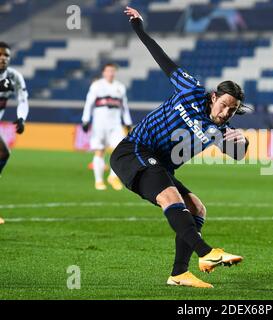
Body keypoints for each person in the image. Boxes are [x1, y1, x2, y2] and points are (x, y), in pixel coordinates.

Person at [110, 7, 250, 288]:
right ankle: (208, 253)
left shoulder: (220, 131)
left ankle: (179, 273)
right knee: (170, 196)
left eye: (232, 111)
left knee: (197, 208)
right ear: (213, 98)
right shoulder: (189, 89)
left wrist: (244, 143)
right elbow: (161, 57)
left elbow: (236, 153)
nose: (225, 113)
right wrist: (139, 27)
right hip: (134, 150)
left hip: (158, 165)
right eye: (223, 105)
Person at [82, 63, 133, 191]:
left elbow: (124, 106)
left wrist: (127, 122)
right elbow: (89, 103)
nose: (111, 73)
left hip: (115, 124)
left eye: (113, 71)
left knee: (120, 150)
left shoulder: (120, 87)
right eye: (108, 71)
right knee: (99, 151)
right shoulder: (97, 85)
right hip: (100, 124)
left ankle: (113, 177)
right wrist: (85, 119)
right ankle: (99, 181)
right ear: (103, 73)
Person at [0, 41, 29, 178]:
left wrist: (21, 118)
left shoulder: (14, 77)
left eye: (6, 55)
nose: (3, 58)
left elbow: (23, 100)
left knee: (4, 153)